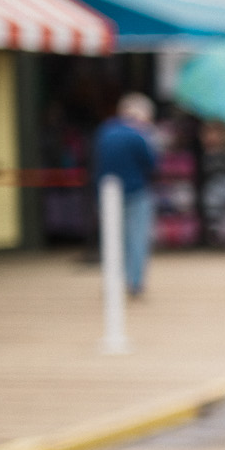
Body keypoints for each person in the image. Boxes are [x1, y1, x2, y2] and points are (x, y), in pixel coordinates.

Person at [93, 93, 159, 298]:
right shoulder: (138, 135)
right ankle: (135, 283)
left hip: (106, 194)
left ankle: (114, 281)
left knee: (113, 240)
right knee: (137, 239)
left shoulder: (105, 131)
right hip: (136, 192)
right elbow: (152, 163)